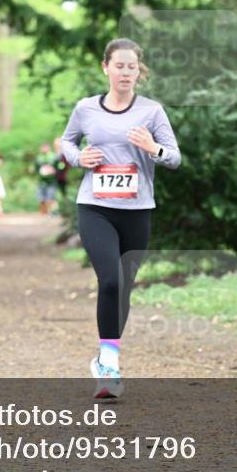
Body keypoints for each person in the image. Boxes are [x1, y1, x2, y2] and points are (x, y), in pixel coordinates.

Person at [60, 38, 181, 398]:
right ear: (106, 68)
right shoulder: (86, 108)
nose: (125, 72)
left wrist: (152, 148)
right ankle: (110, 366)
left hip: (137, 209)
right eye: (119, 65)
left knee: (124, 287)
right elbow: (66, 143)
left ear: (138, 71)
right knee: (110, 281)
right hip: (95, 207)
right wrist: (79, 158)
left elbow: (173, 156)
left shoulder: (152, 111)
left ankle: (104, 356)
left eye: (132, 67)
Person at [34, 142, 61, 215]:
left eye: (45, 147)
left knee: (51, 197)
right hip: (41, 181)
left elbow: (61, 166)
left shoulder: (54, 157)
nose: (44, 149)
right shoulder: (38, 158)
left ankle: (53, 212)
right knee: (41, 198)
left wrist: (55, 170)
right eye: (43, 147)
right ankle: (44, 214)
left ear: (49, 148)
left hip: (52, 180)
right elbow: (36, 169)